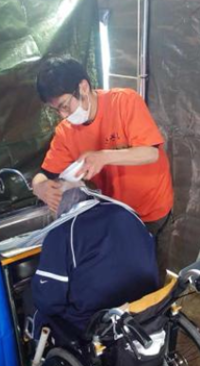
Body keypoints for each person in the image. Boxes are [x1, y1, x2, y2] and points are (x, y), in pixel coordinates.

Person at [32, 56, 174, 275]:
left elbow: (151, 153)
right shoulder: (65, 132)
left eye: (65, 106)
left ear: (83, 87)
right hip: (113, 215)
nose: (63, 115)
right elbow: (44, 174)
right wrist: (39, 187)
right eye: (56, 110)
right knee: (121, 277)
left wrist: (104, 156)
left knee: (152, 278)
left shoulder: (124, 102)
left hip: (150, 211)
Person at [30, 185, 159, 339]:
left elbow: (49, 301)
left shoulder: (61, 232)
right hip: (145, 310)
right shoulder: (126, 212)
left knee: (33, 302)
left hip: (96, 326)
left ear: (57, 205)